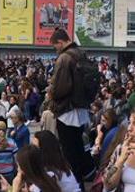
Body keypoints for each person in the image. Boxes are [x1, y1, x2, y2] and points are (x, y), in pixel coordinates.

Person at [48, 28, 95, 186]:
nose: (55, 49)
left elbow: (59, 88)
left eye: (55, 46)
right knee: (78, 148)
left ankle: (73, 185)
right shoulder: (81, 54)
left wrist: (50, 92)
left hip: (67, 111)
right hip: (81, 109)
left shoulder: (64, 58)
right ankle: (80, 182)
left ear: (60, 42)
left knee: (69, 152)